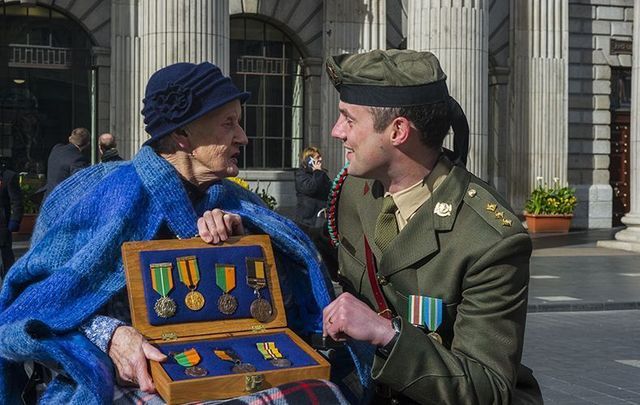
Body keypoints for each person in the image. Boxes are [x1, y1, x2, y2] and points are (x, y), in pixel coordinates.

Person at [0, 62, 339, 404]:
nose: (243, 137)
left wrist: (247, 246)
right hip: (128, 385)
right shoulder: (96, 194)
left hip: (229, 366)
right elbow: (29, 309)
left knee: (324, 395)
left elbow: (288, 306)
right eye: (228, 123)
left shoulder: (240, 204)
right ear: (182, 135)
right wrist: (109, 335)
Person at [321, 50, 543, 404]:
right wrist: (245, 224)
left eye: (348, 119)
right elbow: (314, 251)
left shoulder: (489, 239)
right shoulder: (356, 189)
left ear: (398, 131)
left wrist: (386, 334)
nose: (336, 131)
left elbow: (488, 389)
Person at [43, 127, 90, 200]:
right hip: (63, 203)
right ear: (87, 144)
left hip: (47, 200)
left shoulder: (56, 149)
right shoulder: (79, 159)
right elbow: (82, 185)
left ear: (70, 138)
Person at [294, 146, 331, 227]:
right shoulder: (301, 175)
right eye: (317, 157)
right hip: (306, 221)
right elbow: (311, 189)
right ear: (309, 160)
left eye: (320, 157)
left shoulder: (321, 174)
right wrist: (317, 172)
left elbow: (330, 191)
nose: (320, 159)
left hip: (321, 219)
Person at [0, 162, 23, 279]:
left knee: (6, 259)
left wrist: (15, 220)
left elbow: (17, 201)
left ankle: (9, 282)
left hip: (2, 225)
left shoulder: (9, 176)